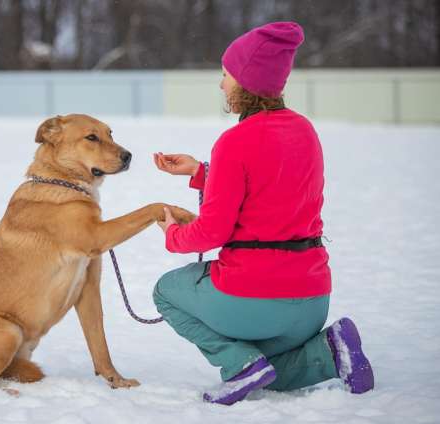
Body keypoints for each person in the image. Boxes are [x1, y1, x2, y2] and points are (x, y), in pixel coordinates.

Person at [151, 22, 374, 406]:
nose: (221, 85)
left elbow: (211, 233)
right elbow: (274, 186)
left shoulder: (234, 142)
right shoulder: (304, 130)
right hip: (312, 301)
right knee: (269, 369)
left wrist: (173, 234)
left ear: (245, 81)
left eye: (226, 75)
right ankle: (331, 350)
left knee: (165, 291)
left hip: (253, 300)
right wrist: (201, 172)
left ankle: (238, 364)